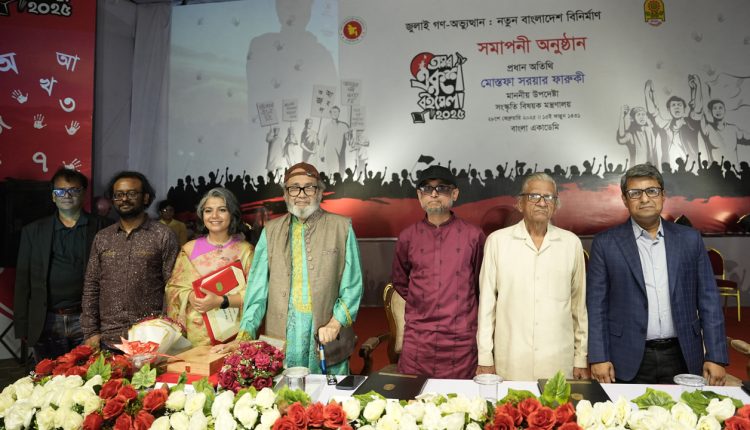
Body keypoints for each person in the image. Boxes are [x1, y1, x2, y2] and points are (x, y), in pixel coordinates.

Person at [587, 163, 728, 385]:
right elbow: (597, 305)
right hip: (626, 355)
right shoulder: (605, 244)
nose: (644, 199)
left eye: (652, 191)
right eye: (635, 193)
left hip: (683, 353)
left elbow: (709, 299)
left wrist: (716, 355)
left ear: (663, 195)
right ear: (624, 199)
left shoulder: (689, 239)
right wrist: (599, 356)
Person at [230, 162, 363, 375]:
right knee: (283, 392)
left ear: (319, 192)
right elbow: (257, 290)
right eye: (294, 188)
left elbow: (353, 285)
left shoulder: (341, 227)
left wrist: (335, 323)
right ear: (285, 194)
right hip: (282, 331)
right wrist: (245, 333)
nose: (301, 194)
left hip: (326, 331)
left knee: (327, 394)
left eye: (309, 187)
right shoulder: (270, 231)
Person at [476, 173, 588, 380]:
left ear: (556, 205)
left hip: (557, 360)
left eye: (549, 197)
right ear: (520, 203)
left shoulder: (570, 243)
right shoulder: (498, 242)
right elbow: (487, 305)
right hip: (510, 359)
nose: (542, 203)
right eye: (534, 196)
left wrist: (581, 358)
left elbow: (578, 307)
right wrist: (485, 357)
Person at [391, 165, 485, 378]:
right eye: (427, 188)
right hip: (418, 340)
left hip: (461, 340)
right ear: (419, 196)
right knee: (413, 397)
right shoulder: (407, 237)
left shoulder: (473, 236)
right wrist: (424, 302)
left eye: (442, 188)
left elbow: (481, 285)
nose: (434, 194)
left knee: (462, 398)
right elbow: (400, 281)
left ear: (455, 194)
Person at [14, 168, 113, 361]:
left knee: (91, 375)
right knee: (49, 376)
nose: (66, 195)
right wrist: (23, 325)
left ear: (83, 194)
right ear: (53, 196)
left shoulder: (104, 227)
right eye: (60, 191)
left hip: (88, 320)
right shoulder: (33, 231)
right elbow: (22, 281)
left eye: (73, 190)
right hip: (46, 320)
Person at [81, 171, 179, 351]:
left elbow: (173, 288)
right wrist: (90, 331)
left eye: (132, 193)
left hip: (150, 339)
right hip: (108, 338)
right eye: (118, 195)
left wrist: (165, 330)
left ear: (146, 197)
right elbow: (91, 285)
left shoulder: (163, 235)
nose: (124, 199)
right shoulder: (103, 237)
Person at [165, 188, 254, 346]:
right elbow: (173, 288)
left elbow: (254, 294)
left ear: (232, 214)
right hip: (195, 336)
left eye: (222, 210)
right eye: (208, 210)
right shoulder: (189, 249)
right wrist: (190, 296)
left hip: (232, 336)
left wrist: (220, 301)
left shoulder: (245, 251)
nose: (214, 216)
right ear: (202, 215)